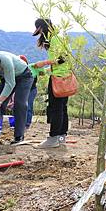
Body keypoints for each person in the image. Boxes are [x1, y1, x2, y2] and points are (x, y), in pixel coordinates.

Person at [32, 18, 71, 149]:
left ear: (43, 28)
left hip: (58, 79)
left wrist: (43, 63)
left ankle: (53, 138)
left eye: (40, 31)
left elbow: (62, 58)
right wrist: (47, 70)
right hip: (63, 76)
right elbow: (63, 61)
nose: (41, 35)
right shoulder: (60, 37)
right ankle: (61, 138)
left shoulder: (55, 38)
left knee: (55, 108)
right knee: (62, 108)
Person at [19, 55, 45, 129]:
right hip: (22, 90)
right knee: (21, 106)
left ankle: (27, 123)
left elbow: (43, 72)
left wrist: (40, 71)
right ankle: (20, 122)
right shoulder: (18, 69)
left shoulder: (32, 67)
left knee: (29, 106)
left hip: (32, 90)